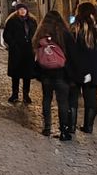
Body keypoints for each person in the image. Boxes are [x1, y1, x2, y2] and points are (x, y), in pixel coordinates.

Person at [32, 11, 76, 141]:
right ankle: (64, 131)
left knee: (46, 99)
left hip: (45, 73)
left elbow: (35, 54)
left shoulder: (41, 34)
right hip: (62, 73)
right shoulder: (64, 33)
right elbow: (72, 54)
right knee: (63, 102)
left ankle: (47, 128)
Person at [70, 2, 97, 134]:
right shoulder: (95, 30)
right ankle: (88, 127)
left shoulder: (74, 29)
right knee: (91, 99)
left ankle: (71, 127)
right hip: (92, 69)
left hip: (75, 69)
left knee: (72, 99)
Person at [3, 3, 37, 104]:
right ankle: (15, 94)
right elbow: (6, 34)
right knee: (16, 75)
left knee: (27, 75)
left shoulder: (32, 21)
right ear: (17, 11)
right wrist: (13, 44)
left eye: (24, 9)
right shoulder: (12, 21)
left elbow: (36, 33)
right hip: (17, 52)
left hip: (28, 52)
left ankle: (26, 95)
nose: (22, 11)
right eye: (20, 9)